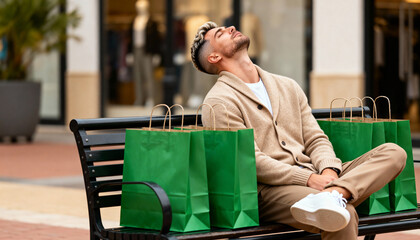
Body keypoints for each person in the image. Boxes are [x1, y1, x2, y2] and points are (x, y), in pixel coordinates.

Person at [190, 21, 407, 239]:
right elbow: (250, 161)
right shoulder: (219, 102)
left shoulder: (287, 86)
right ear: (214, 57)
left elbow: (316, 138)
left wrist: (329, 171)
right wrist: (308, 179)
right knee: (342, 214)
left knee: (394, 152)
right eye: (220, 34)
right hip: (269, 191)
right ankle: (333, 198)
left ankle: (334, 195)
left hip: (318, 175)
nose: (229, 28)